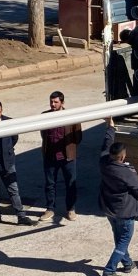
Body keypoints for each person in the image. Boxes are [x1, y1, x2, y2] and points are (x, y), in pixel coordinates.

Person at [98, 118, 138, 276]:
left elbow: (106, 144)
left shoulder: (104, 161)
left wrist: (110, 128)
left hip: (109, 209)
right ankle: (109, 270)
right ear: (123, 156)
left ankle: (127, 263)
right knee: (123, 240)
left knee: (119, 237)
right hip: (124, 211)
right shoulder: (126, 173)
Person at [0, 101, 38, 228]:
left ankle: (21, 216)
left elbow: (14, 138)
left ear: (2, 110)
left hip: (8, 163)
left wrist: (8, 151)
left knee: (13, 190)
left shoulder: (9, 122)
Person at [39, 91, 82, 222]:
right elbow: (43, 134)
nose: (53, 104)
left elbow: (78, 136)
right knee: (50, 184)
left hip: (67, 157)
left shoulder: (72, 116)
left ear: (62, 103)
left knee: (70, 184)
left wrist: (70, 149)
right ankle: (50, 209)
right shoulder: (44, 116)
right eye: (51, 101)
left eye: (56, 102)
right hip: (50, 156)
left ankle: (71, 209)